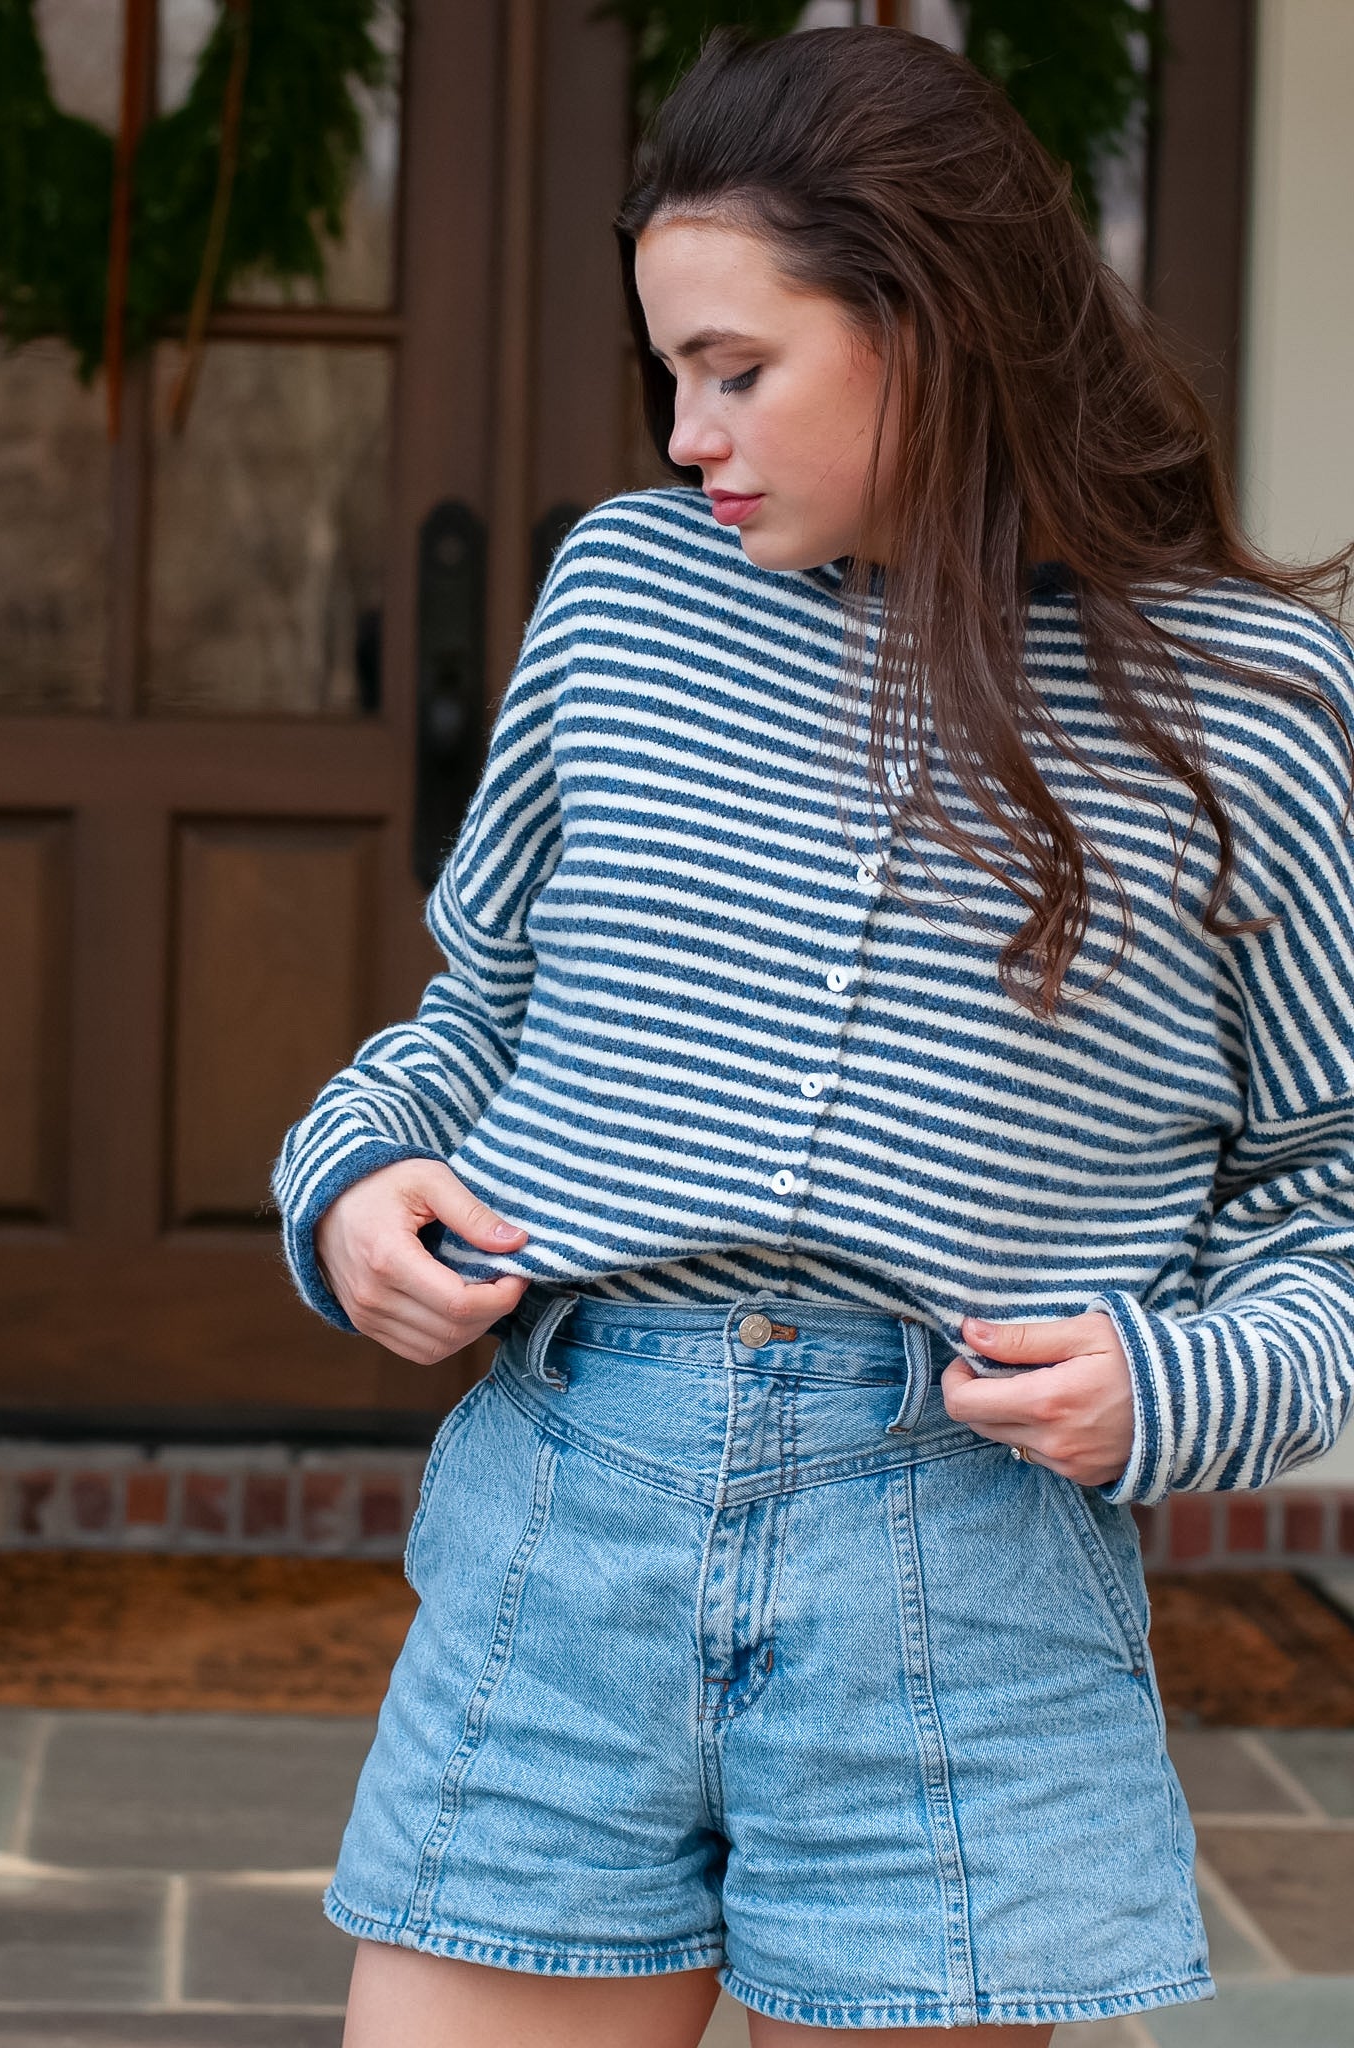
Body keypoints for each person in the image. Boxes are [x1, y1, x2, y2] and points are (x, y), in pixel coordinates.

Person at [273, 24, 1354, 2047]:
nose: (686, 435)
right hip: (565, 1523)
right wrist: (347, 1184)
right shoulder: (619, 601)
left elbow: (1327, 1195)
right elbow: (471, 1022)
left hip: (958, 1574)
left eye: (734, 368)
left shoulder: (1248, 705)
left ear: (929, 327)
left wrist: (1182, 1378)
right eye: (669, 372)